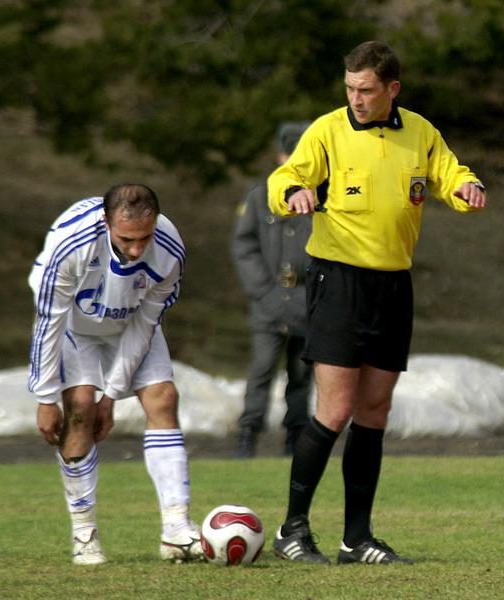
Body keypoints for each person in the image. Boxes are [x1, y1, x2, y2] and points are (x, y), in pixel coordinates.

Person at [266, 40, 486, 565]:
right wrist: (295, 192)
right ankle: (292, 529)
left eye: (366, 90)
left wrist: (468, 187)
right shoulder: (327, 131)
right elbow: (284, 178)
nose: (356, 99)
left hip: (393, 286)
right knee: (336, 408)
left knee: (374, 410)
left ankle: (356, 538)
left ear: (392, 89)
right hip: (339, 280)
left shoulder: (420, 132)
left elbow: (448, 174)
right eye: (350, 88)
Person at [29, 184, 203, 565]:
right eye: (127, 239)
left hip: (131, 324)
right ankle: (84, 533)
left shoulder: (169, 250)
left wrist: (113, 395)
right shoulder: (70, 243)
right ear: (106, 222)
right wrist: (44, 398)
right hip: (75, 327)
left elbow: (146, 324)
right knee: (78, 412)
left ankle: (176, 530)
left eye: (145, 237)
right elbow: (50, 320)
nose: (138, 248)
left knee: (164, 398)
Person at [231, 121, 313, 458]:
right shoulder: (260, 194)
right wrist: (262, 289)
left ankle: (296, 435)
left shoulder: (322, 193)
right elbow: (244, 244)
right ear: (280, 156)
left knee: (302, 373)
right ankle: (249, 432)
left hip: (309, 299)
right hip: (269, 299)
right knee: (262, 368)